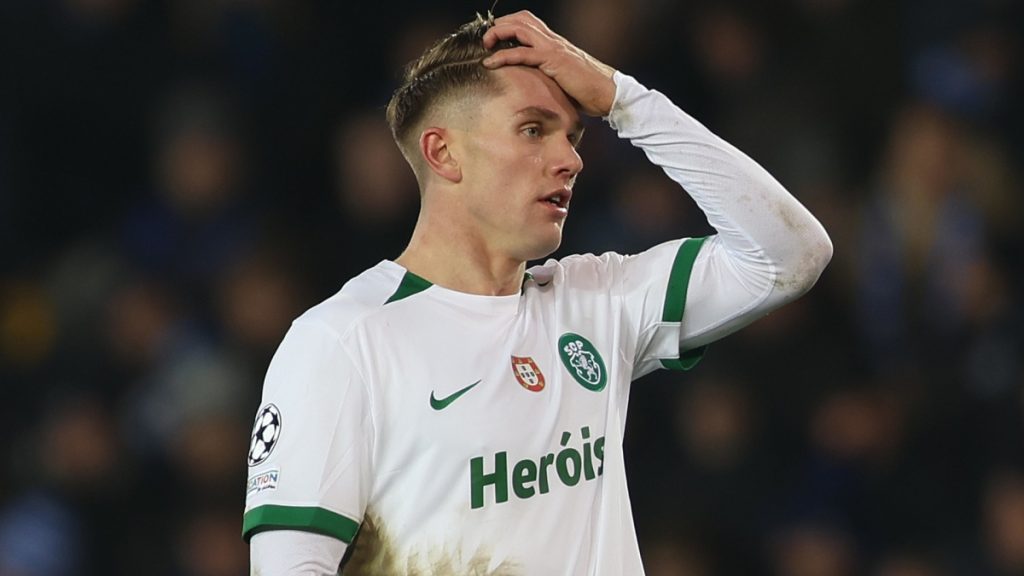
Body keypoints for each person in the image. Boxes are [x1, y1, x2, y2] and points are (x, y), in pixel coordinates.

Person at [243, 10, 832, 575]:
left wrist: (622, 100)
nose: (570, 159)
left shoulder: (597, 301)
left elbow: (790, 254)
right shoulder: (343, 342)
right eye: (533, 129)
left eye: (573, 135)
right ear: (443, 153)